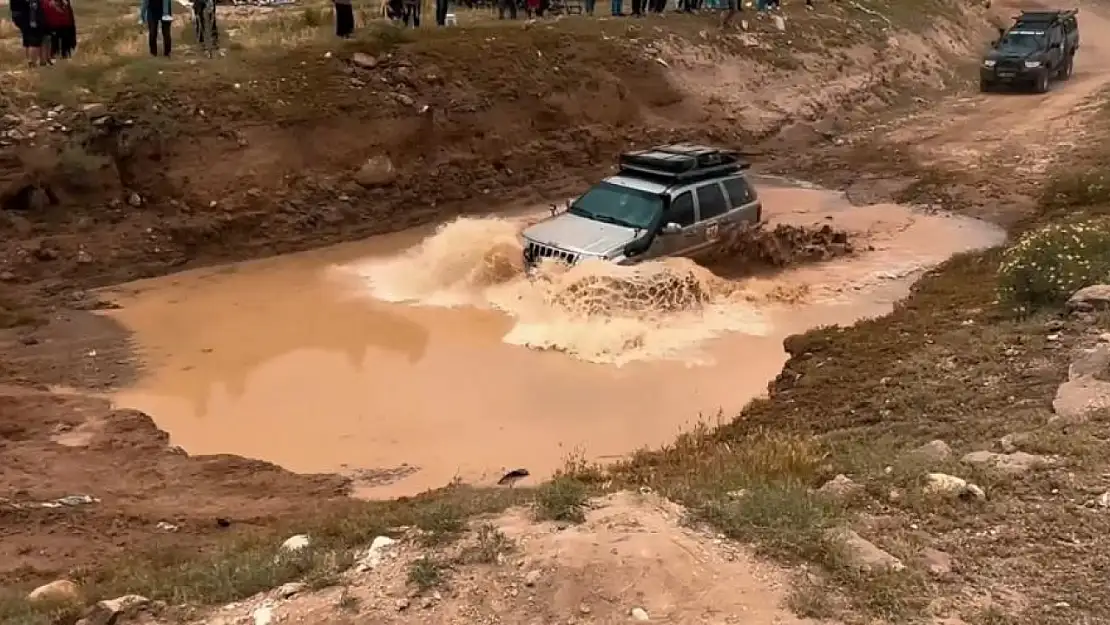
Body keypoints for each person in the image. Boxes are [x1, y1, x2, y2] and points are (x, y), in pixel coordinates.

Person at [10, 0, 47, 66]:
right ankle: (32, 62)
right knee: (34, 43)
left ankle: (29, 61)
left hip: (22, 19)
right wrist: (33, 20)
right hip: (31, 20)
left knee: (27, 42)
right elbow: (33, 7)